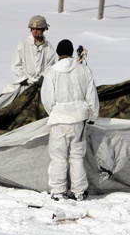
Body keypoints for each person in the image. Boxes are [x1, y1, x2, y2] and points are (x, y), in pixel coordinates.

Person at [41, 39, 100, 201]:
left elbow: (47, 99)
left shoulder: (51, 72)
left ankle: (59, 191)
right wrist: (92, 116)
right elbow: (91, 96)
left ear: (58, 53)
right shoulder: (84, 70)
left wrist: (53, 112)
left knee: (59, 156)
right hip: (79, 120)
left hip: (59, 119)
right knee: (76, 156)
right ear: (72, 52)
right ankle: (78, 191)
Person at [12, 15, 57, 86]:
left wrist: (42, 79)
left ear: (43, 29)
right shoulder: (23, 44)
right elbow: (16, 65)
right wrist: (24, 79)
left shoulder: (48, 47)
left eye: (38, 29)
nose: (35, 31)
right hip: (25, 84)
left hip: (42, 85)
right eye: (33, 29)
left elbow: (50, 67)